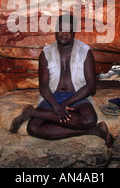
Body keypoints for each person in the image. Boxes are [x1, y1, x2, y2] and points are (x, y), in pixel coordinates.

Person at [10, 14, 113, 147]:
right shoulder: (46, 53)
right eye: (60, 29)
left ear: (74, 32)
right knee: (33, 128)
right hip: (52, 97)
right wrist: (56, 106)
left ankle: (33, 112)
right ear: (55, 30)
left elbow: (91, 87)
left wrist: (64, 104)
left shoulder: (85, 51)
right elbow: (44, 87)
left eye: (68, 30)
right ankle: (93, 131)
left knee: (89, 120)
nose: (63, 33)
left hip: (78, 97)